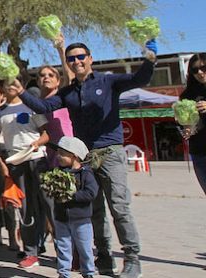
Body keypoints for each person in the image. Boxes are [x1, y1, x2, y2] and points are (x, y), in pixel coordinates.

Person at [19, 41, 156, 278]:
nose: (76, 62)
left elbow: (139, 79)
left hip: (110, 152)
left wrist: (150, 59)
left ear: (90, 58)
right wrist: (18, 90)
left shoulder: (108, 81)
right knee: (94, 209)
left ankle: (133, 259)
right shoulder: (68, 92)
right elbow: (42, 105)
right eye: (71, 59)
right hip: (84, 157)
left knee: (119, 207)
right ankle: (103, 257)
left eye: (80, 57)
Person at [0, 75, 49, 269]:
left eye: (14, 82)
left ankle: (67, 252)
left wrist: (37, 143)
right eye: (6, 83)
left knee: (49, 206)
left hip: (38, 160)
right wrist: (3, 165)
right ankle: (30, 251)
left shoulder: (32, 106)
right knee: (25, 208)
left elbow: (46, 134)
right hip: (16, 163)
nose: (11, 86)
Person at [51, 136, 99, 278]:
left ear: (74, 156)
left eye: (62, 154)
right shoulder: (58, 172)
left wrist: (72, 195)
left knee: (84, 248)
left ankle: (88, 272)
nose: (58, 156)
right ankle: (63, 273)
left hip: (81, 219)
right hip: (61, 217)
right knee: (63, 246)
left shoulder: (85, 173)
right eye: (58, 153)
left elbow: (91, 193)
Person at [179, 53, 206, 194]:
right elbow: (190, 124)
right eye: (194, 70)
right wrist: (188, 129)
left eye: (203, 68)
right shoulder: (187, 95)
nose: (199, 72)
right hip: (200, 152)